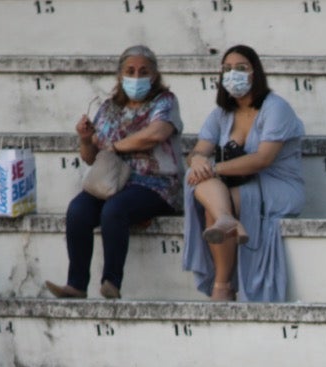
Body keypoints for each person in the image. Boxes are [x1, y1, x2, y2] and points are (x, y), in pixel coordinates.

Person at [45, 45, 183, 301]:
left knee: (114, 209)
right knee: (78, 210)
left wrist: (115, 146)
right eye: (130, 70)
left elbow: (157, 133)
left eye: (144, 71)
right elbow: (91, 157)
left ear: (154, 75)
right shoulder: (108, 108)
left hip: (157, 185)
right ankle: (76, 285)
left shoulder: (165, 101)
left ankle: (111, 282)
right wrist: (85, 139)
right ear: (121, 75)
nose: (137, 76)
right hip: (112, 183)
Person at [181, 45, 305, 302]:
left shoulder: (275, 108)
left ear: (255, 73)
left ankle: (222, 287)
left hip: (279, 186)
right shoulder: (221, 114)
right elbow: (198, 151)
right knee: (202, 186)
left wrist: (211, 167)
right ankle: (227, 220)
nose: (232, 73)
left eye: (241, 68)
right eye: (226, 69)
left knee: (213, 201)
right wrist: (197, 162)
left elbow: (262, 159)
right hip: (237, 184)